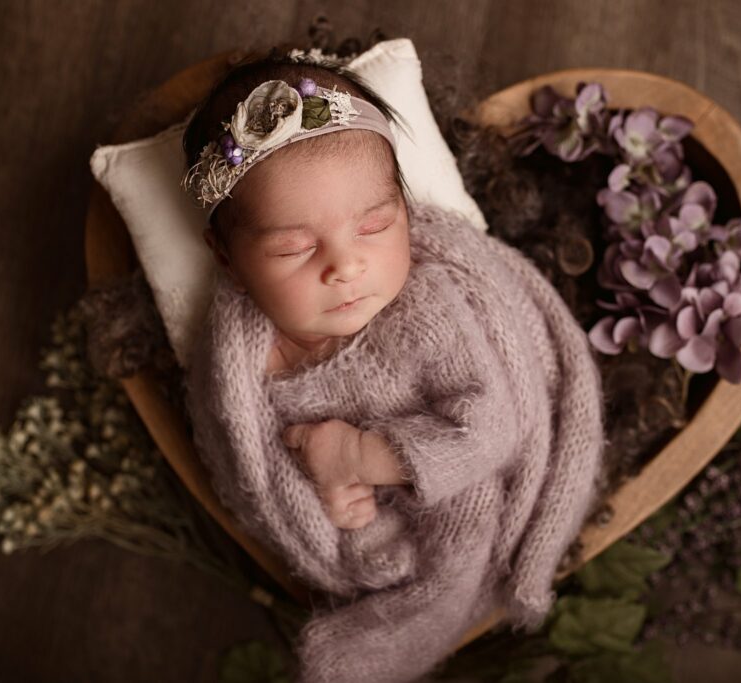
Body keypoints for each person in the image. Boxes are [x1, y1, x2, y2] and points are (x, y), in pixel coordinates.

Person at [181, 47, 605, 683]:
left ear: (404, 209)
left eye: (376, 225)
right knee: (384, 566)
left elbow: (492, 426)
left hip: (464, 483)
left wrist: (359, 458)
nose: (345, 266)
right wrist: (345, 519)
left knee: (457, 548)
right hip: (368, 536)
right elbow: (257, 473)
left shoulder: (424, 309)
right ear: (226, 255)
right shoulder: (239, 358)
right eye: (294, 248)